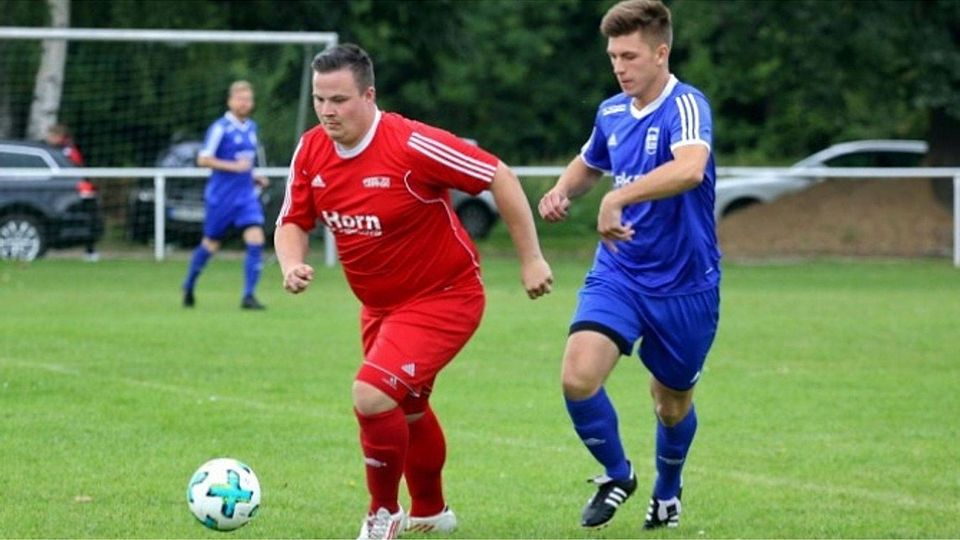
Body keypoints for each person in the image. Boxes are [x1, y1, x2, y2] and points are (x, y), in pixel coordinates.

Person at [274, 44, 553, 539]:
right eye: (320, 99)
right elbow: (293, 219)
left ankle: (383, 515)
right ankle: (431, 511)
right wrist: (292, 262)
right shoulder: (312, 148)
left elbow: (498, 176)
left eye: (339, 99)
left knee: (371, 394)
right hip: (379, 307)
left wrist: (531, 259)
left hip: (445, 296)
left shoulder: (411, 144)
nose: (327, 111)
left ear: (369, 95)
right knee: (408, 408)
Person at [538, 0, 720, 531]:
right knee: (577, 376)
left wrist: (619, 200)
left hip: (686, 285)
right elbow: (592, 161)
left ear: (661, 53)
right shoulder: (612, 110)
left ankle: (668, 490)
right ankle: (618, 474)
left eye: (630, 55)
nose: (620, 66)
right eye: (614, 56)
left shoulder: (686, 105)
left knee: (671, 404)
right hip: (619, 272)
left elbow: (690, 168)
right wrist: (562, 190)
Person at [182, 80, 270, 310]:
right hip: (221, 197)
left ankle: (248, 296)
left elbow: (246, 163)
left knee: (256, 240)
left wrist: (254, 176)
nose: (244, 103)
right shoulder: (220, 127)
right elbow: (203, 159)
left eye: (248, 99)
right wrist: (233, 167)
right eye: (240, 99)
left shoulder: (252, 128)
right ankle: (189, 284)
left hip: (246, 197)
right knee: (211, 244)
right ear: (230, 101)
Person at [46, 123, 99, 262]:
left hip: (79, 189)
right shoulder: (58, 150)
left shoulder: (67, 151)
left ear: (59, 136)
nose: (48, 138)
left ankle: (90, 250)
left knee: (87, 218)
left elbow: (78, 169)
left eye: (51, 135)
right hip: (70, 188)